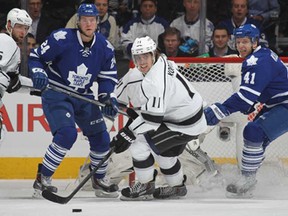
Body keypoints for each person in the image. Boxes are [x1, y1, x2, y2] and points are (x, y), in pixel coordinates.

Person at [28, 4, 119, 198]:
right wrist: (38, 71)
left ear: (97, 22)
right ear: (78, 21)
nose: (88, 23)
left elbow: (107, 78)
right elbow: (36, 56)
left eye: (92, 19)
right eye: (84, 19)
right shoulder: (61, 38)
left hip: (83, 95)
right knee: (67, 134)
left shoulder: (104, 47)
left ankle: (98, 179)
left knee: (102, 138)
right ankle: (42, 179)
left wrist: (107, 98)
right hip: (56, 91)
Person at [109, 36, 208, 200]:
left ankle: (145, 186)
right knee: (165, 154)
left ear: (153, 54)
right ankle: (177, 187)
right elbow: (134, 103)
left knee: (139, 144)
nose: (141, 62)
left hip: (182, 124)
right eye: (137, 58)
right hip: (191, 118)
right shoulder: (163, 61)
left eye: (145, 56)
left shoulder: (153, 81)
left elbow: (152, 120)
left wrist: (127, 133)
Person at [204, 24, 288, 198]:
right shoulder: (261, 55)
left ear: (255, 42)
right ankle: (249, 179)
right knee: (257, 139)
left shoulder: (256, 61)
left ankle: (248, 181)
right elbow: (265, 87)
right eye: (239, 42)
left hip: (285, 104)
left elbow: (244, 98)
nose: (241, 46)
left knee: (253, 131)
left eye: (245, 42)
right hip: (277, 103)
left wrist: (220, 110)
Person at [0, 8, 32, 139]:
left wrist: (36, 87)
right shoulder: (6, 41)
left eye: (26, 28)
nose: (23, 32)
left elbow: (14, 82)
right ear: (9, 25)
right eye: (19, 27)